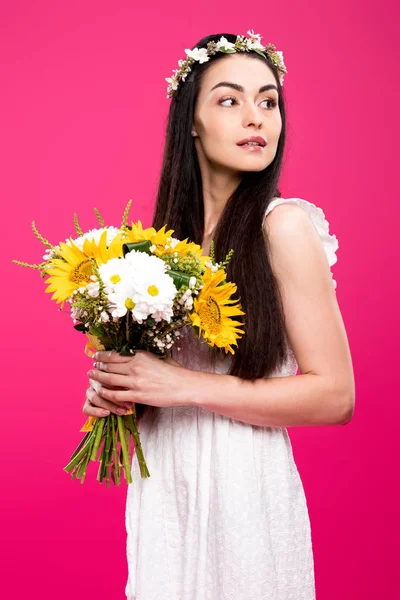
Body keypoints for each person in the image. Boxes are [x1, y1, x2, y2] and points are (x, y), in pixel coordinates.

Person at [83, 30, 355, 600]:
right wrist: (117, 391)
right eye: (229, 100)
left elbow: (336, 396)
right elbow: (156, 384)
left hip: (244, 492)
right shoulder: (158, 251)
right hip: (165, 492)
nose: (256, 118)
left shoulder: (282, 227)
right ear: (192, 122)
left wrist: (181, 385)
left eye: (268, 101)